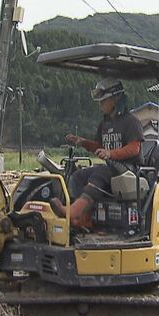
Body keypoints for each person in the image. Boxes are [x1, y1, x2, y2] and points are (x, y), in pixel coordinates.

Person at [51, 78, 143, 229]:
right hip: (112, 168)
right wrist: (83, 142)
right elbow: (99, 147)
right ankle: (83, 217)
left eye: (103, 101)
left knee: (99, 173)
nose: (100, 105)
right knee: (78, 175)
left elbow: (134, 148)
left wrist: (111, 154)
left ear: (115, 99)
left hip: (130, 169)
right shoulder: (105, 124)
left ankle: (73, 211)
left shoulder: (131, 122)